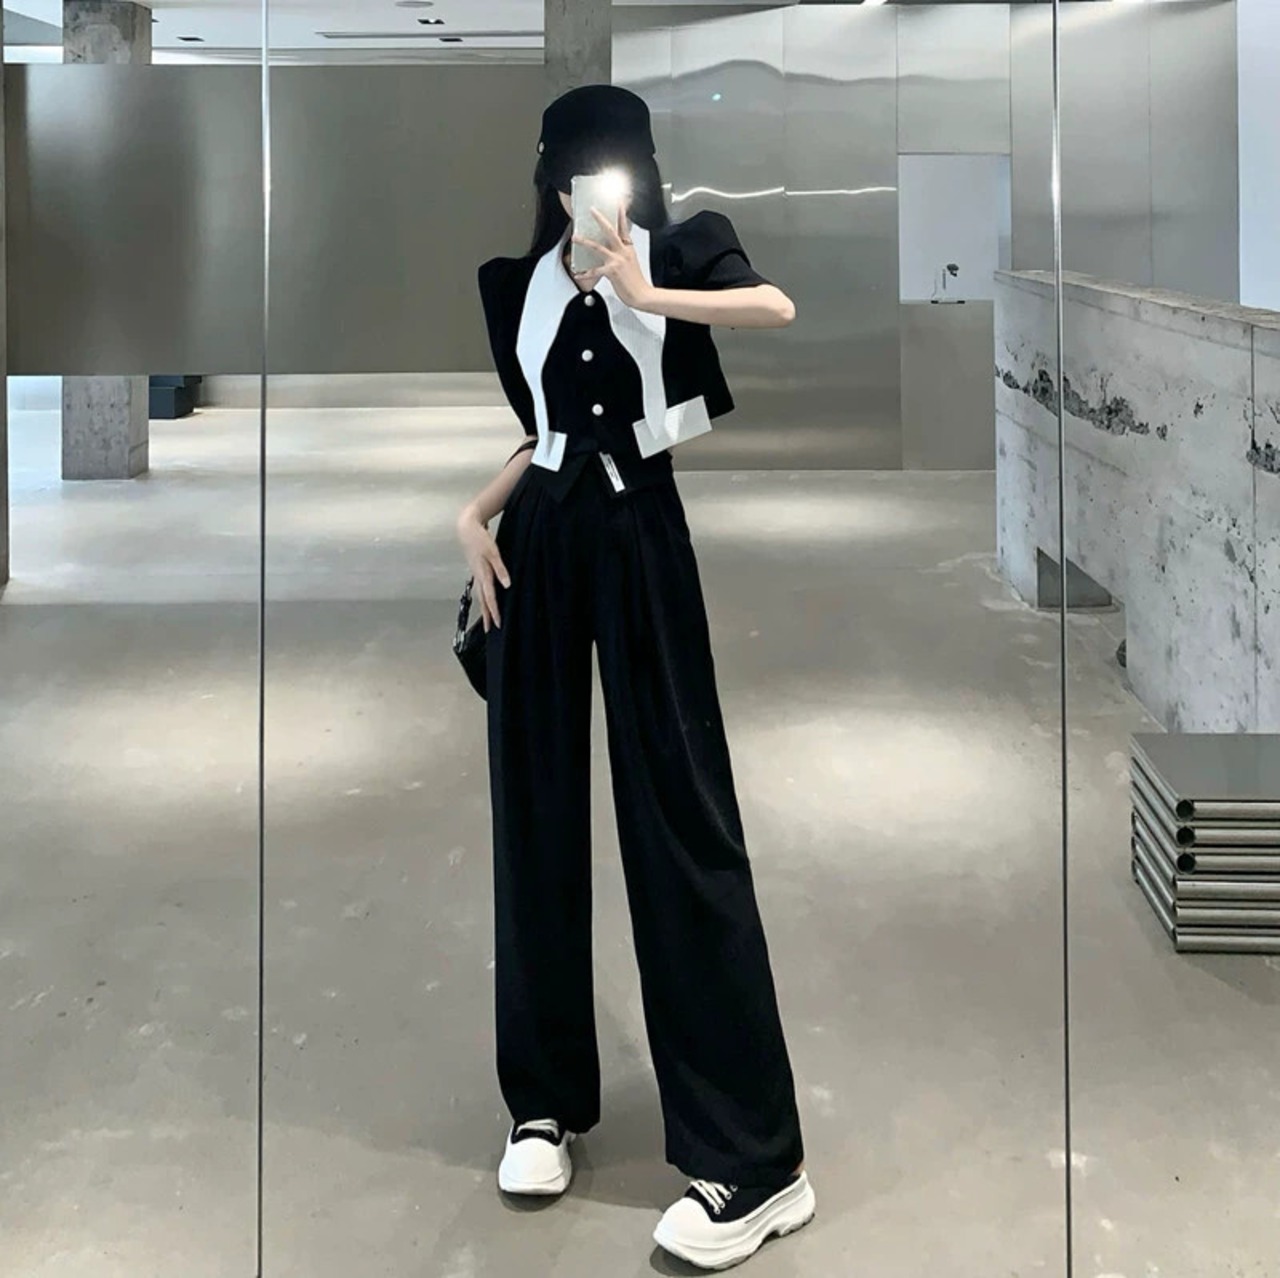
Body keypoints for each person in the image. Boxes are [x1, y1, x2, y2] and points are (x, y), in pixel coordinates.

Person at [456, 84, 814, 1271]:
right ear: (547, 175)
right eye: (576, 169)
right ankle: (541, 1102)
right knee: (533, 816)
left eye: (613, 167)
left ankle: (755, 1161)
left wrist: (646, 291)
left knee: (680, 812)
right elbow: (544, 434)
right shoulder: (510, 285)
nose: (594, 188)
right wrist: (471, 514)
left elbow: (773, 306)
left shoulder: (685, 248)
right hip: (539, 541)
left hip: (642, 530)